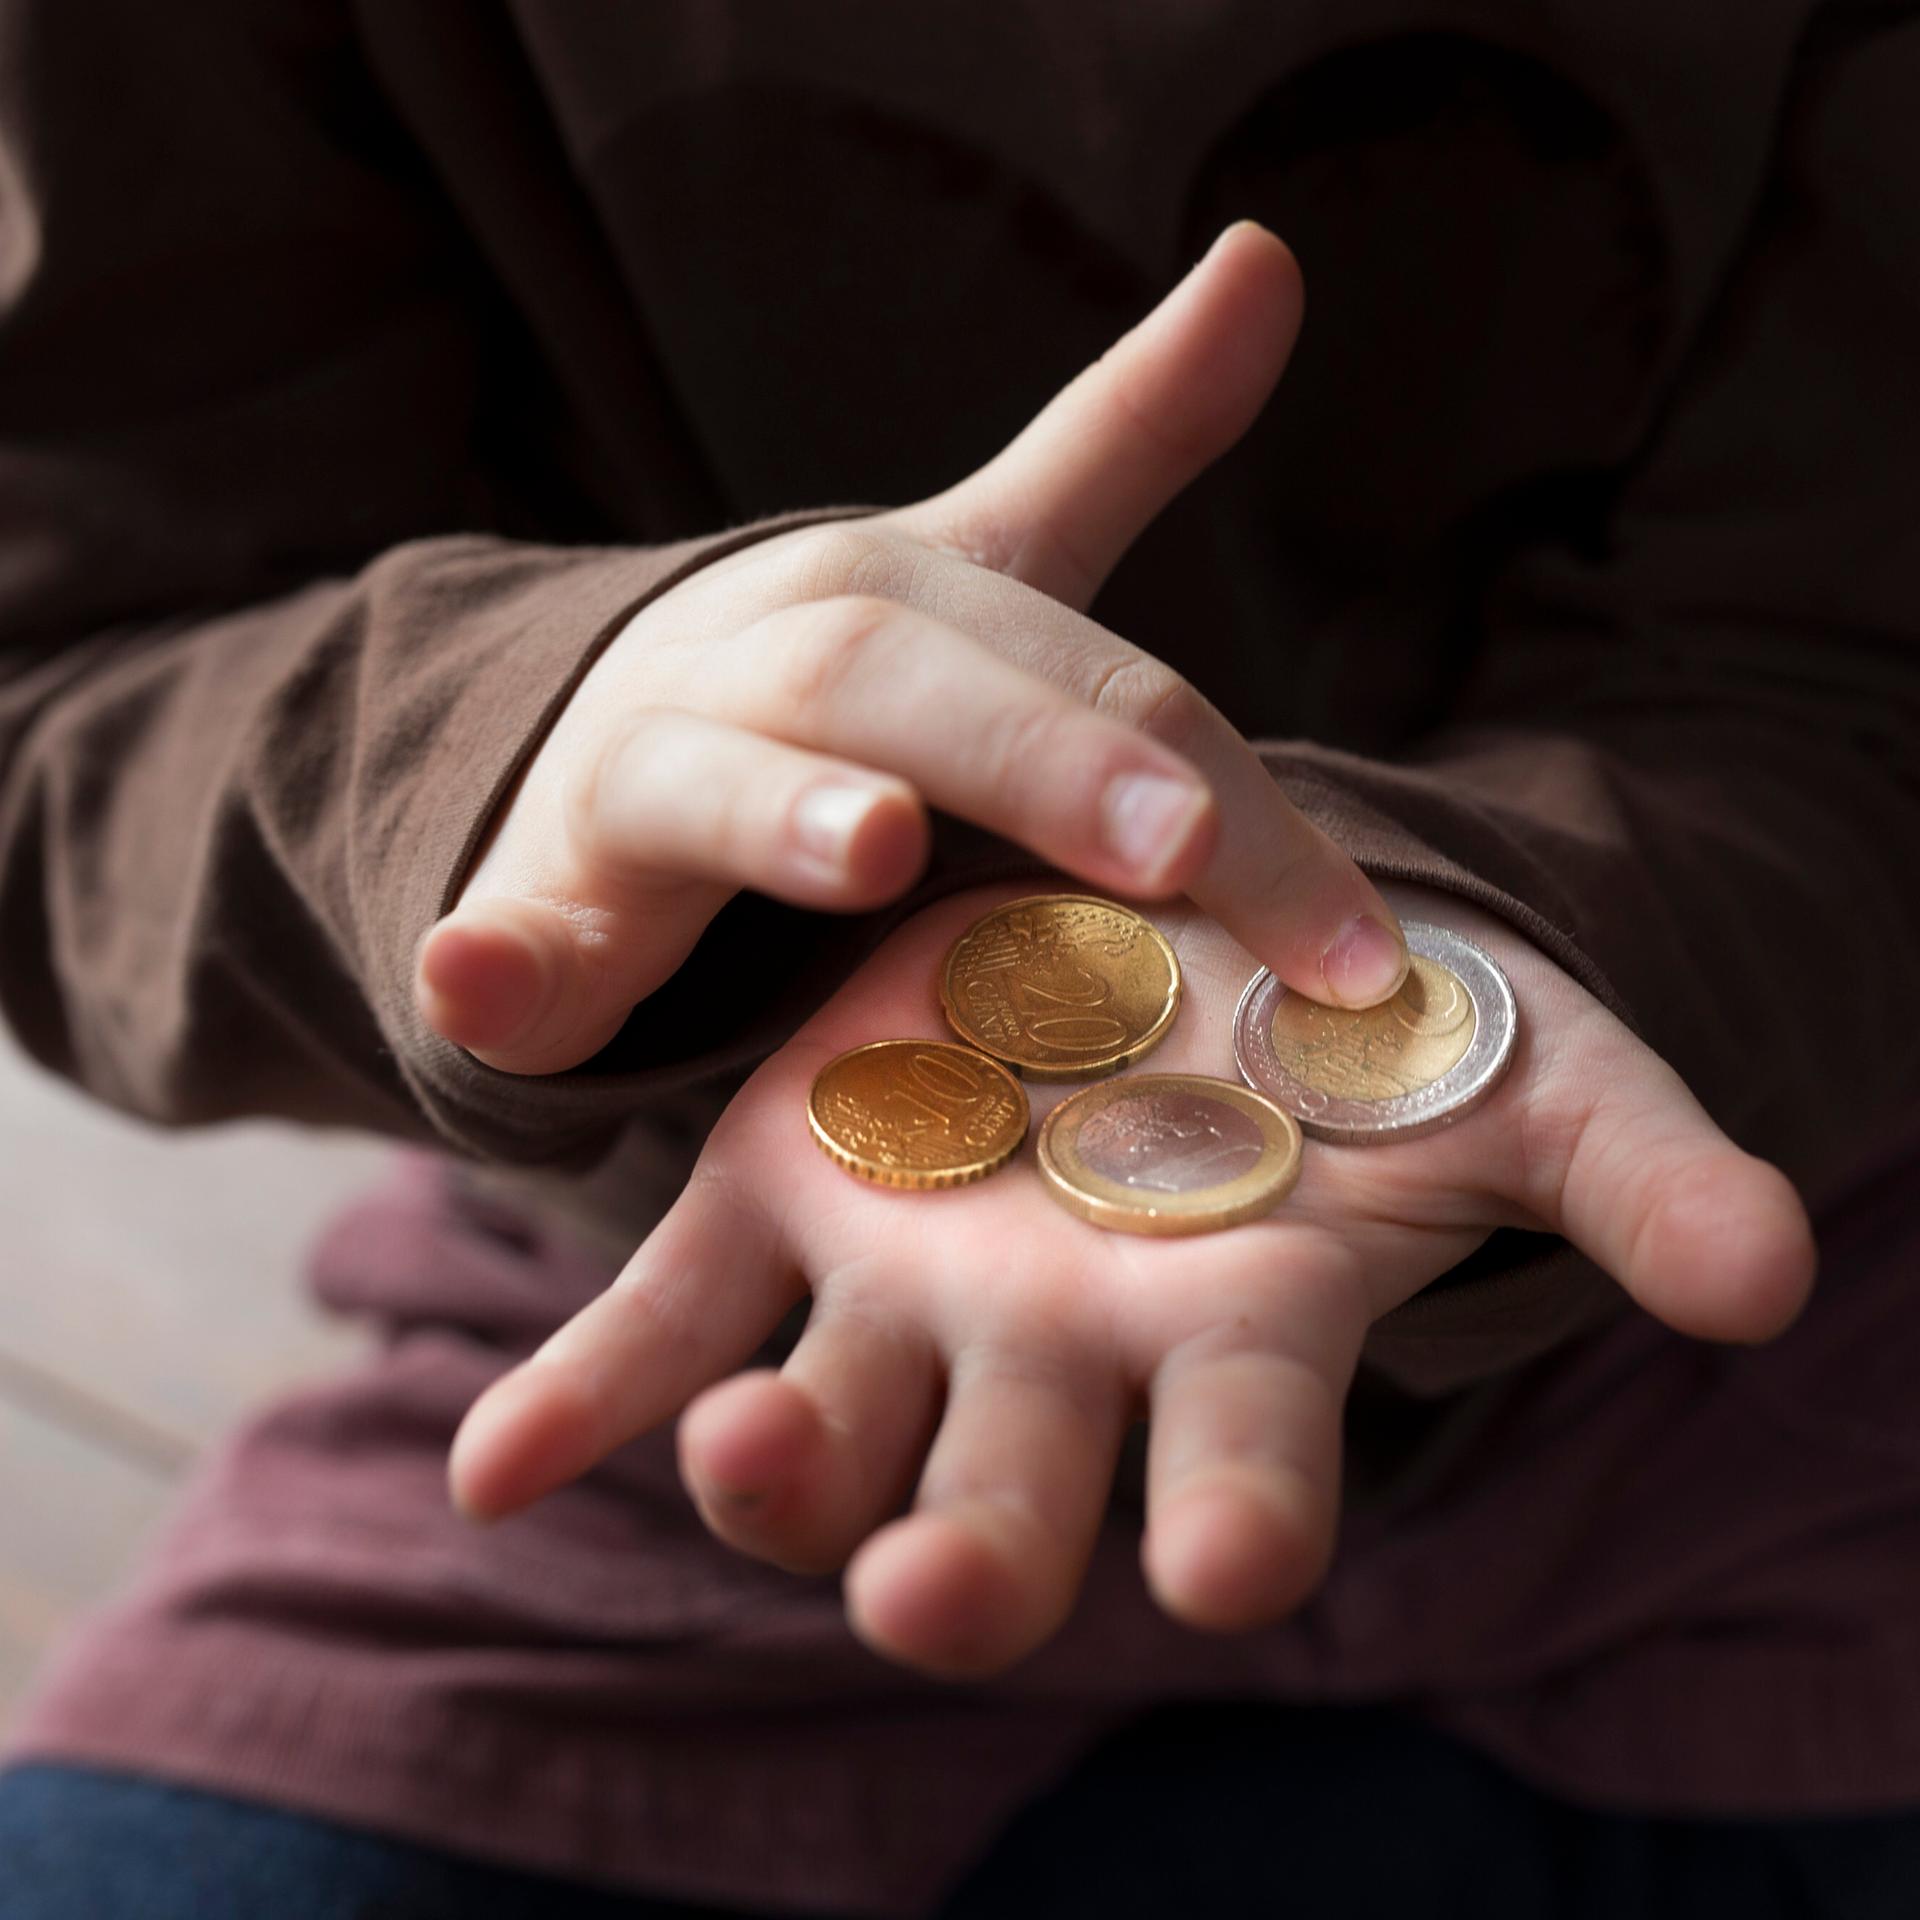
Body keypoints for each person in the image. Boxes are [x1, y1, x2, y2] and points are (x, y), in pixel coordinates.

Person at [0, 4, 1915, 1916]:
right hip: (696, 1320)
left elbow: (1845, 662)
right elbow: (72, 707)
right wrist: (514, 746)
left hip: (1775, 1387)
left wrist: (1468, 904)